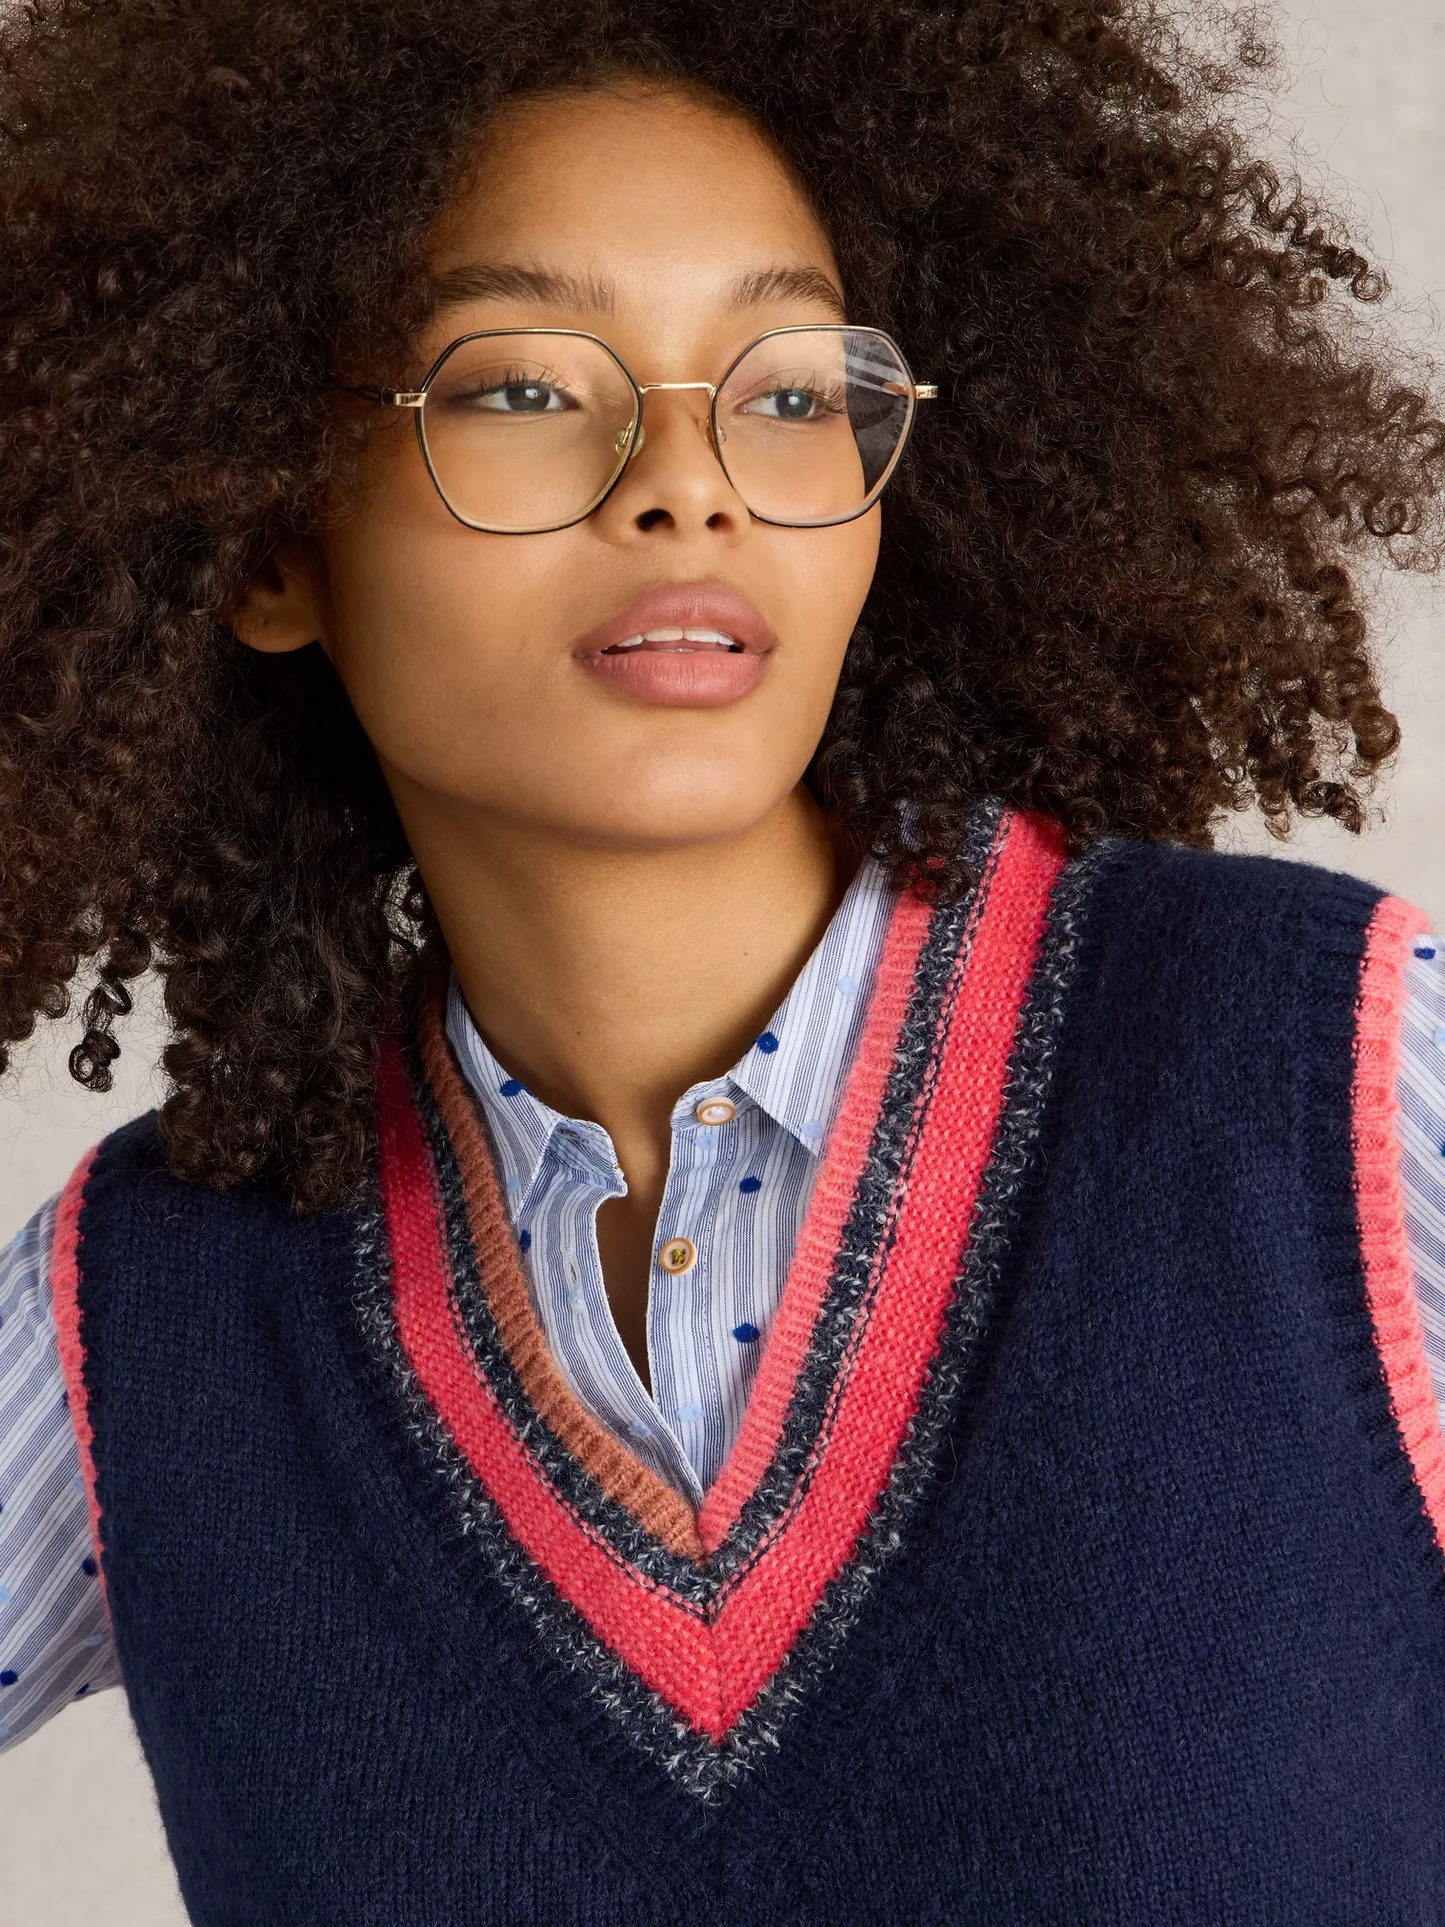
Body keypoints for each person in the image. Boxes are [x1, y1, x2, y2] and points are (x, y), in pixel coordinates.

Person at [0, 0, 1442, 1918]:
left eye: (786, 387)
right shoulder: (154, 1316)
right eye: (521, 385)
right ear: (255, 534)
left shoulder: (1326, 1086)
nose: (689, 482)